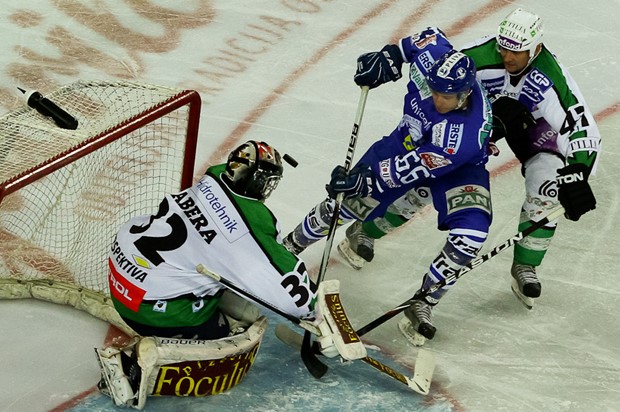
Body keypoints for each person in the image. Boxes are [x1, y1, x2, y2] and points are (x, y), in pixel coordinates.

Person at [340, 9, 600, 310]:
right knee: (430, 179)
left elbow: (581, 127)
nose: (507, 56)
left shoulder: (550, 75)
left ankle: (525, 266)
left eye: (516, 51)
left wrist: (578, 172)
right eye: (503, 46)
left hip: (537, 129)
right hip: (484, 125)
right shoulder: (480, 55)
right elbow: (439, 79)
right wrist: (394, 58)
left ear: (536, 48)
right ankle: (366, 229)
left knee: (547, 190)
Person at [96, 140, 365, 408]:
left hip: (123, 271)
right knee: (238, 328)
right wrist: (316, 315)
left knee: (222, 283)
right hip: (150, 308)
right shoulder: (246, 226)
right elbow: (291, 296)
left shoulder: (214, 177)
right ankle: (142, 360)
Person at [283, 27, 494, 343]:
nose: (438, 100)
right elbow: (420, 42)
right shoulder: (433, 56)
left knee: (472, 234)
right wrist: (388, 59)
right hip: (404, 144)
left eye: (446, 97)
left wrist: (367, 179)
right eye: (435, 91)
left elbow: (413, 168)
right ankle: (288, 247)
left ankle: (424, 300)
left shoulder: (462, 135)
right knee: (346, 202)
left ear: (464, 95)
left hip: (459, 170)